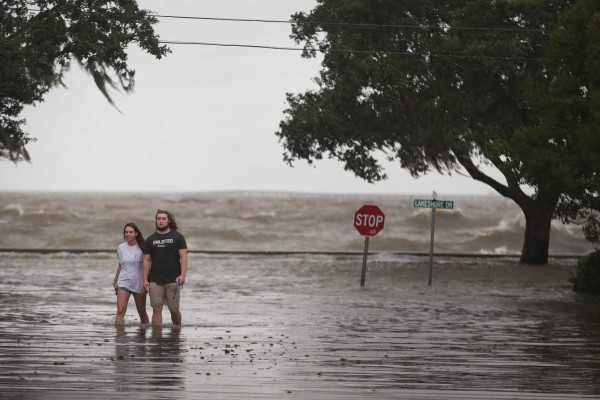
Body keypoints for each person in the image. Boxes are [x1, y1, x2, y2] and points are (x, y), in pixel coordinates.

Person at [143, 209, 188, 326]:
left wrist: (182, 275)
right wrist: (145, 279)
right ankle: (156, 337)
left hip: (173, 279)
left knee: (174, 310)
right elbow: (146, 260)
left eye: (164, 219)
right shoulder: (150, 239)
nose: (161, 221)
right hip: (155, 280)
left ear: (168, 221)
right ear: (156, 221)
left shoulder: (178, 237)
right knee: (156, 308)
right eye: (159, 219)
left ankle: (177, 329)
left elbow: (183, 257)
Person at [113, 222, 149, 326]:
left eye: (131, 232)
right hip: (124, 282)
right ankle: (119, 337)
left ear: (136, 233)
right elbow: (120, 264)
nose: (128, 234)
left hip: (139, 283)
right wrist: (115, 281)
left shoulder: (143, 247)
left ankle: (144, 335)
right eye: (126, 232)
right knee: (120, 311)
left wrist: (146, 282)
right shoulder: (121, 247)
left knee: (142, 312)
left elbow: (147, 266)